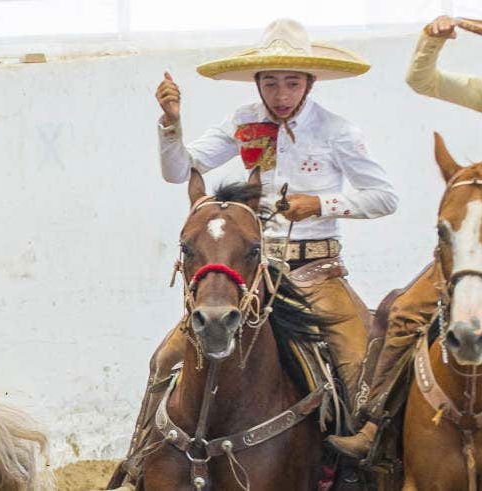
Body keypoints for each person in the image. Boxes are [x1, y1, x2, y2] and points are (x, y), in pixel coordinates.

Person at [114, 18, 398, 484]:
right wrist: (171, 124)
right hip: (250, 275)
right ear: (258, 82)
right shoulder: (243, 121)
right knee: (166, 358)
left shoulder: (338, 131)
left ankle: (359, 469)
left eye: (291, 83)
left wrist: (320, 204)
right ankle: (140, 457)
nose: (281, 94)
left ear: (309, 82)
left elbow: (385, 197)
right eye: (271, 83)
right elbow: (180, 170)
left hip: (317, 270)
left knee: (353, 359)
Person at [327, 14, 482, 459]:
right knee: (407, 311)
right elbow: (422, 79)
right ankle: (375, 424)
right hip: (475, 240)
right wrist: (432, 40)